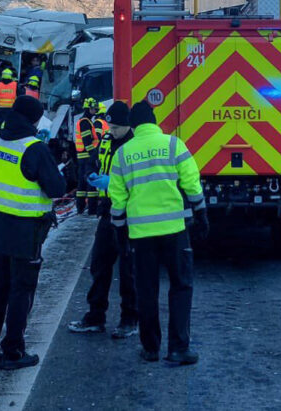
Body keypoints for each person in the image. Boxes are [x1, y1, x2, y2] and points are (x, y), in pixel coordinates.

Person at [0, 95, 68, 370]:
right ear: (36, 119)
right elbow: (57, 189)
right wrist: (50, 160)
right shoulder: (35, 149)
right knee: (21, 290)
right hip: (27, 230)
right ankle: (13, 351)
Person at [109, 101, 207, 365]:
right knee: (181, 286)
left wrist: (119, 230)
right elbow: (191, 181)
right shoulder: (174, 144)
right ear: (153, 120)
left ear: (133, 124)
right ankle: (178, 348)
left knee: (146, 290)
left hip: (141, 235)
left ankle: (150, 347)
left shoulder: (123, 154)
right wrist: (201, 211)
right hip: (174, 231)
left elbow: (117, 198)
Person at [67, 102, 138, 338]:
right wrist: (95, 175)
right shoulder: (107, 139)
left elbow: (139, 181)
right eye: (111, 125)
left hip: (129, 213)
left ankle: (130, 319)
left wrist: (113, 183)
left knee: (128, 270)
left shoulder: (135, 145)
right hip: (108, 210)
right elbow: (99, 159)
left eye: (117, 126)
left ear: (127, 124)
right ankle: (95, 316)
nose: (112, 130)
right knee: (99, 264)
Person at [74, 98, 102, 214]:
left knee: (82, 184)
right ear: (88, 108)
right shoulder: (85, 122)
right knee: (91, 184)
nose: (95, 110)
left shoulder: (85, 121)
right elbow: (87, 142)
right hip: (87, 157)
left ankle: (80, 208)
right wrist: (94, 156)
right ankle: (92, 209)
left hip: (82, 157)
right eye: (93, 108)